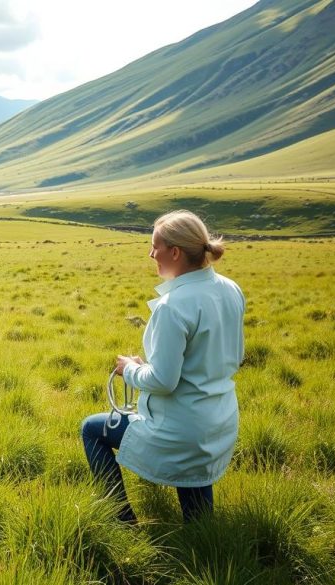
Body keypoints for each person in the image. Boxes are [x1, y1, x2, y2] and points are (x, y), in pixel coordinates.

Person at [80, 210, 245, 523]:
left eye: (155, 246)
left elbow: (164, 381)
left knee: (91, 429)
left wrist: (130, 369)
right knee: (198, 509)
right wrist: (156, 367)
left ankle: (121, 520)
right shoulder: (230, 289)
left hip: (181, 428)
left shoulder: (173, 306)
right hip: (219, 422)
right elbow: (234, 356)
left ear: (175, 252)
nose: (151, 253)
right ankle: (205, 540)